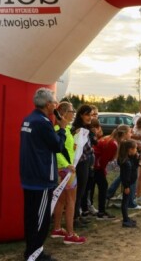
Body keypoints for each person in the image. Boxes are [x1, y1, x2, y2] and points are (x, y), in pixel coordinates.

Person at [20, 88, 68, 261]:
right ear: (48, 105)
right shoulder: (42, 122)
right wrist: (62, 129)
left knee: (32, 217)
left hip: (29, 176)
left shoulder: (28, 119)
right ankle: (35, 254)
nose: (55, 105)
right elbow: (57, 146)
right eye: (54, 103)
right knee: (40, 220)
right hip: (40, 178)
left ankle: (32, 251)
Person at [50, 102, 86, 245]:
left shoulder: (64, 129)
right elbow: (56, 150)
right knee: (71, 201)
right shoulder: (58, 129)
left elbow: (67, 149)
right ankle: (70, 234)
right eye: (72, 110)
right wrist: (67, 165)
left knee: (62, 200)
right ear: (63, 113)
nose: (74, 113)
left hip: (64, 169)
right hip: (66, 170)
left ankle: (57, 228)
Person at [93, 124, 130, 220]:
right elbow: (103, 160)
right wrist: (102, 170)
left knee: (100, 186)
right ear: (124, 134)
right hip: (95, 167)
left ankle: (96, 210)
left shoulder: (112, 140)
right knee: (103, 186)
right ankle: (101, 212)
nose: (131, 134)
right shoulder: (112, 143)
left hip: (95, 166)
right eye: (130, 132)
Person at [70, 105, 94, 227]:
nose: (90, 117)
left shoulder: (85, 128)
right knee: (78, 191)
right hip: (79, 163)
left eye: (91, 115)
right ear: (81, 115)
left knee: (82, 191)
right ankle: (74, 218)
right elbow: (82, 148)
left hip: (85, 162)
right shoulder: (77, 129)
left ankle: (77, 216)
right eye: (87, 115)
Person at [118, 140, 138, 228]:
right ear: (130, 149)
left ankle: (127, 218)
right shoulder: (126, 162)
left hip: (130, 183)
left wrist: (136, 157)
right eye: (135, 149)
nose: (136, 150)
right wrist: (126, 186)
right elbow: (125, 176)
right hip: (127, 184)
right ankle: (125, 220)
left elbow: (135, 167)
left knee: (127, 200)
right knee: (125, 202)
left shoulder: (131, 158)